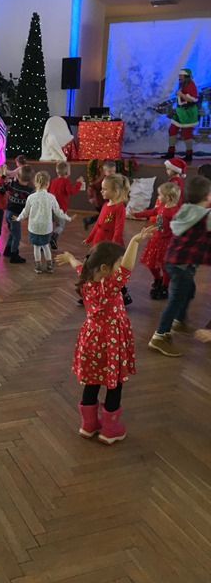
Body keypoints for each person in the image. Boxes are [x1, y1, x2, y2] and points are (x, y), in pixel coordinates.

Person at [56, 226, 155, 444]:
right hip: (110, 341)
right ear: (104, 268)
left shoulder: (86, 279)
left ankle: (88, 425)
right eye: (117, 264)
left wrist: (70, 258)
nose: (120, 269)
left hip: (90, 339)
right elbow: (126, 270)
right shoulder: (108, 287)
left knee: (92, 383)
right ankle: (110, 430)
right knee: (114, 383)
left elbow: (79, 266)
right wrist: (134, 241)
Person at [148, 175, 211, 357]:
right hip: (182, 266)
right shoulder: (206, 216)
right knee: (175, 300)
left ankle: (179, 321)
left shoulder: (185, 209)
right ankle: (159, 336)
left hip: (173, 261)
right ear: (207, 196)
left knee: (189, 290)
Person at [84, 173, 132, 305]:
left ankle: (123, 293)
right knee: (95, 266)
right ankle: (94, 292)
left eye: (105, 189)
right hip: (99, 241)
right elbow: (98, 224)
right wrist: (89, 238)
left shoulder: (119, 208)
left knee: (112, 270)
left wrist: (113, 247)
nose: (101, 191)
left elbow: (118, 230)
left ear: (115, 191)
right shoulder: (105, 205)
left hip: (110, 244)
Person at [14, 170, 73, 274]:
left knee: (36, 247)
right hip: (46, 228)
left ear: (35, 183)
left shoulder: (31, 197)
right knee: (46, 246)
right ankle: (49, 266)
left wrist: (19, 218)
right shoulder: (51, 197)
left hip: (34, 227)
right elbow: (58, 212)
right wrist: (67, 218)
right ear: (48, 183)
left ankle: (38, 267)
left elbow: (25, 212)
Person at [129, 182, 180, 299]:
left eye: (160, 195)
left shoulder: (174, 212)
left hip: (167, 244)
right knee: (151, 264)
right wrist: (136, 214)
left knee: (165, 267)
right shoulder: (162, 207)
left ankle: (165, 286)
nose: (158, 197)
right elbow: (151, 212)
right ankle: (158, 280)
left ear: (168, 198)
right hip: (156, 241)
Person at [163, 68, 198, 163]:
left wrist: (181, 94)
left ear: (186, 76)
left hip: (187, 113)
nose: (179, 77)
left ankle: (189, 154)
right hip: (180, 111)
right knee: (172, 130)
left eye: (181, 75)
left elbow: (193, 99)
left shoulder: (191, 85)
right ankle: (171, 152)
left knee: (186, 133)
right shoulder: (183, 84)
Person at [49, 161, 84, 249]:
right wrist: (79, 183)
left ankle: (43, 243)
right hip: (60, 209)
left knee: (49, 225)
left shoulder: (53, 181)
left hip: (50, 207)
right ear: (67, 173)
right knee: (61, 225)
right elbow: (71, 191)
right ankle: (54, 236)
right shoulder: (66, 181)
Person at [4, 165, 34, 263]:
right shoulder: (29, 192)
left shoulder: (12, 184)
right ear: (30, 179)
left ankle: (7, 250)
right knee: (17, 236)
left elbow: (3, 188)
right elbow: (30, 205)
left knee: (12, 232)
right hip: (15, 216)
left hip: (7, 212)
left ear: (17, 175)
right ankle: (14, 255)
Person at [83, 159, 117, 230]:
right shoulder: (102, 180)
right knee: (105, 215)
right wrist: (91, 197)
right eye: (110, 172)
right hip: (99, 202)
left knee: (104, 215)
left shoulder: (112, 179)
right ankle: (102, 228)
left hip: (106, 201)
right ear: (104, 172)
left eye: (113, 171)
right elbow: (91, 186)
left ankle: (89, 221)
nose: (112, 173)